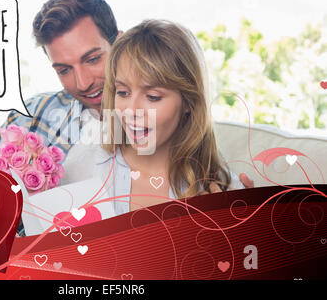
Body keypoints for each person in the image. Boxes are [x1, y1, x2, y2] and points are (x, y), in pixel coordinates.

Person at [0, 0, 254, 234]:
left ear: (117, 45)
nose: (83, 82)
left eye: (92, 59)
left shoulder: (207, 178)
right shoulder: (44, 124)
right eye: (64, 70)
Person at [91, 19, 245, 214]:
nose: (131, 110)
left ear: (188, 102)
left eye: (152, 97)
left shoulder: (223, 192)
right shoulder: (94, 168)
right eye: (122, 92)